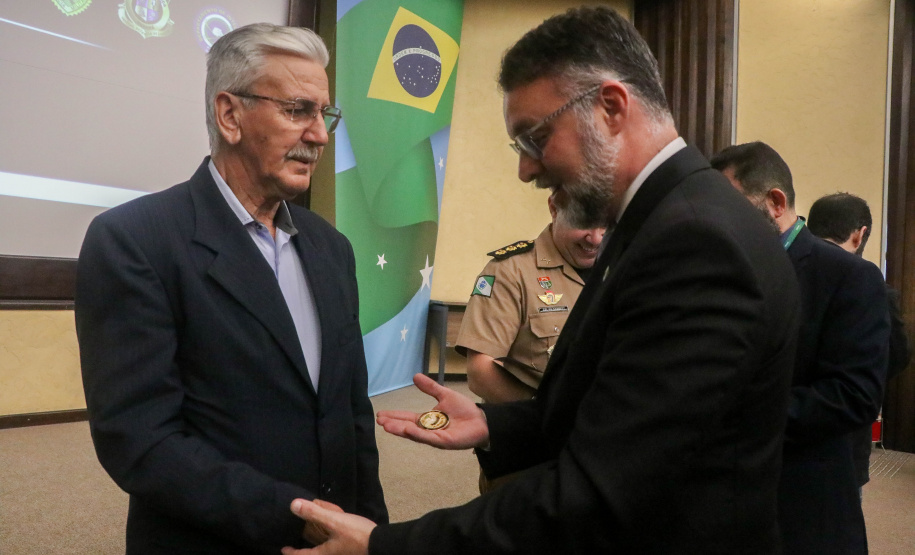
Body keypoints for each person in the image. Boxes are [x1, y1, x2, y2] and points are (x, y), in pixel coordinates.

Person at [283, 7, 801, 554]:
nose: (527, 170)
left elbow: (601, 493)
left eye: (535, 139)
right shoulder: (664, 217)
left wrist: (385, 546)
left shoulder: (695, 241)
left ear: (610, 106)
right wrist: (495, 427)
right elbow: (616, 411)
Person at [75, 23, 387, 554]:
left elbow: (351, 415)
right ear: (229, 115)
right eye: (298, 111)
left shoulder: (332, 247)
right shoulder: (135, 240)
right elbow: (140, 440)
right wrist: (295, 517)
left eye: (324, 114)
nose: (319, 136)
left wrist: (374, 535)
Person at [711, 143, 890, 554]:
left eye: (729, 205)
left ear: (775, 202)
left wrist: (736, 414)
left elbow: (855, 396)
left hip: (803, 507)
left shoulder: (848, 276)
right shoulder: (721, 269)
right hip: (721, 501)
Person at [456, 192, 604, 492]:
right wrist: (552, 416)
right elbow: (480, 372)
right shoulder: (510, 270)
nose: (596, 239)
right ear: (554, 207)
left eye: (606, 225)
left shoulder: (623, 266)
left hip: (602, 449)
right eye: (584, 223)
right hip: (531, 454)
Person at [807, 192, 911, 494]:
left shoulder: (783, 271)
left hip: (787, 422)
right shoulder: (875, 287)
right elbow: (898, 354)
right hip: (847, 429)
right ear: (860, 234)